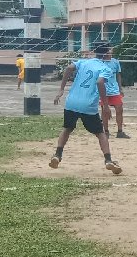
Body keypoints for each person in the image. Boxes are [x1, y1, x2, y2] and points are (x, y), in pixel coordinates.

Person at [49, 44, 122, 175]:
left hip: (71, 102)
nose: (112, 53)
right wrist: (105, 106)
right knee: (100, 133)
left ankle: (57, 155)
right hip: (88, 104)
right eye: (110, 51)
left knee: (67, 128)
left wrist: (61, 89)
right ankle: (108, 160)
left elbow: (69, 68)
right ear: (105, 54)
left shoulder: (83, 62)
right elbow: (100, 82)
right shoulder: (105, 68)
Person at [99, 46, 130, 139]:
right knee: (104, 111)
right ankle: (106, 132)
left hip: (114, 90)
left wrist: (120, 88)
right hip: (103, 90)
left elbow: (118, 75)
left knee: (119, 109)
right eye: (108, 50)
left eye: (110, 50)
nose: (110, 51)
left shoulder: (115, 62)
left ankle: (120, 132)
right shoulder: (100, 62)